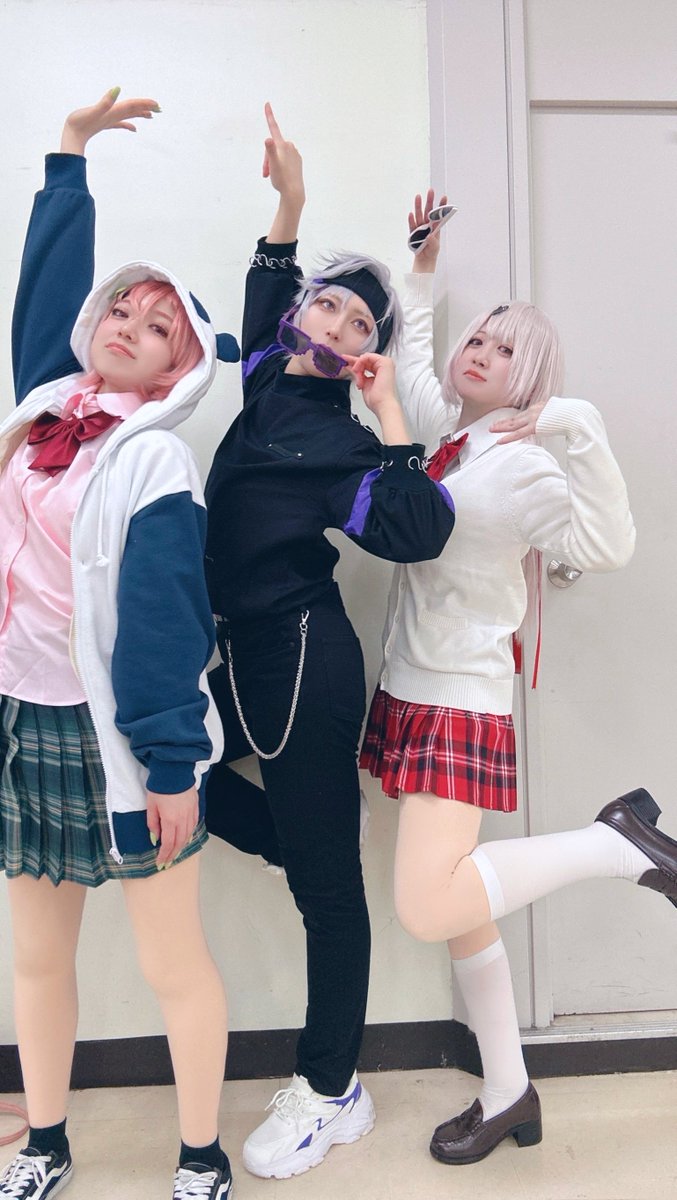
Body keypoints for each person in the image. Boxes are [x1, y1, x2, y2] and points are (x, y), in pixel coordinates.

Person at [361, 190, 676, 1165]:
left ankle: (613, 844)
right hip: (410, 686)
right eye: (479, 338)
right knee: (461, 908)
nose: (479, 352)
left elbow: (606, 546)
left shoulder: (525, 464)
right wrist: (420, 269)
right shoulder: (447, 436)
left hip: (457, 694)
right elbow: (415, 362)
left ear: (528, 379)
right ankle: (508, 1091)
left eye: (503, 349)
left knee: (430, 902)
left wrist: (572, 424)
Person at [203, 107, 456, 1180]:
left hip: (306, 660)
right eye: (328, 303)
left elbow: (417, 530)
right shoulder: (266, 373)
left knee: (326, 896)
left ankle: (330, 1089)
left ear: (362, 355)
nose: (336, 320)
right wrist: (291, 199)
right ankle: (312, 836)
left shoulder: (348, 445)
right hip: (235, 654)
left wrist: (392, 415)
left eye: (359, 322)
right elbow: (267, 280)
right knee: (172, 776)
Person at [0, 91, 239, 1200]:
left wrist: (171, 764)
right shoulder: (43, 408)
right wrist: (69, 157)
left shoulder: (152, 461)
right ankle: (45, 1140)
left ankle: (200, 1154)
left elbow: (162, 622)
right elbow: (45, 295)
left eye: (157, 329)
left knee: (167, 959)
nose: (127, 327)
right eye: (123, 310)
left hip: (122, 742)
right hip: (22, 720)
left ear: (177, 373)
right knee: (36, 955)